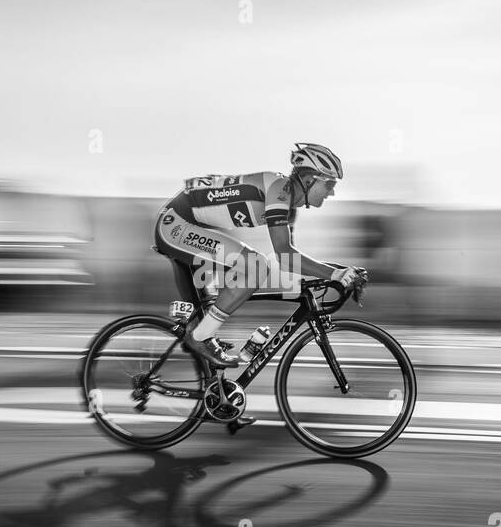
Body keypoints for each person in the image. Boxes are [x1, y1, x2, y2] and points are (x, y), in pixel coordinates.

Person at [153, 142, 361, 371]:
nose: (332, 191)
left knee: (246, 274)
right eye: (329, 183)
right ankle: (201, 337)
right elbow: (285, 256)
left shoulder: (288, 204)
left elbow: (293, 258)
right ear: (310, 179)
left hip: (192, 224)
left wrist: (340, 272)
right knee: (255, 266)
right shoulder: (280, 189)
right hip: (176, 224)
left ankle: (205, 348)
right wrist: (337, 274)